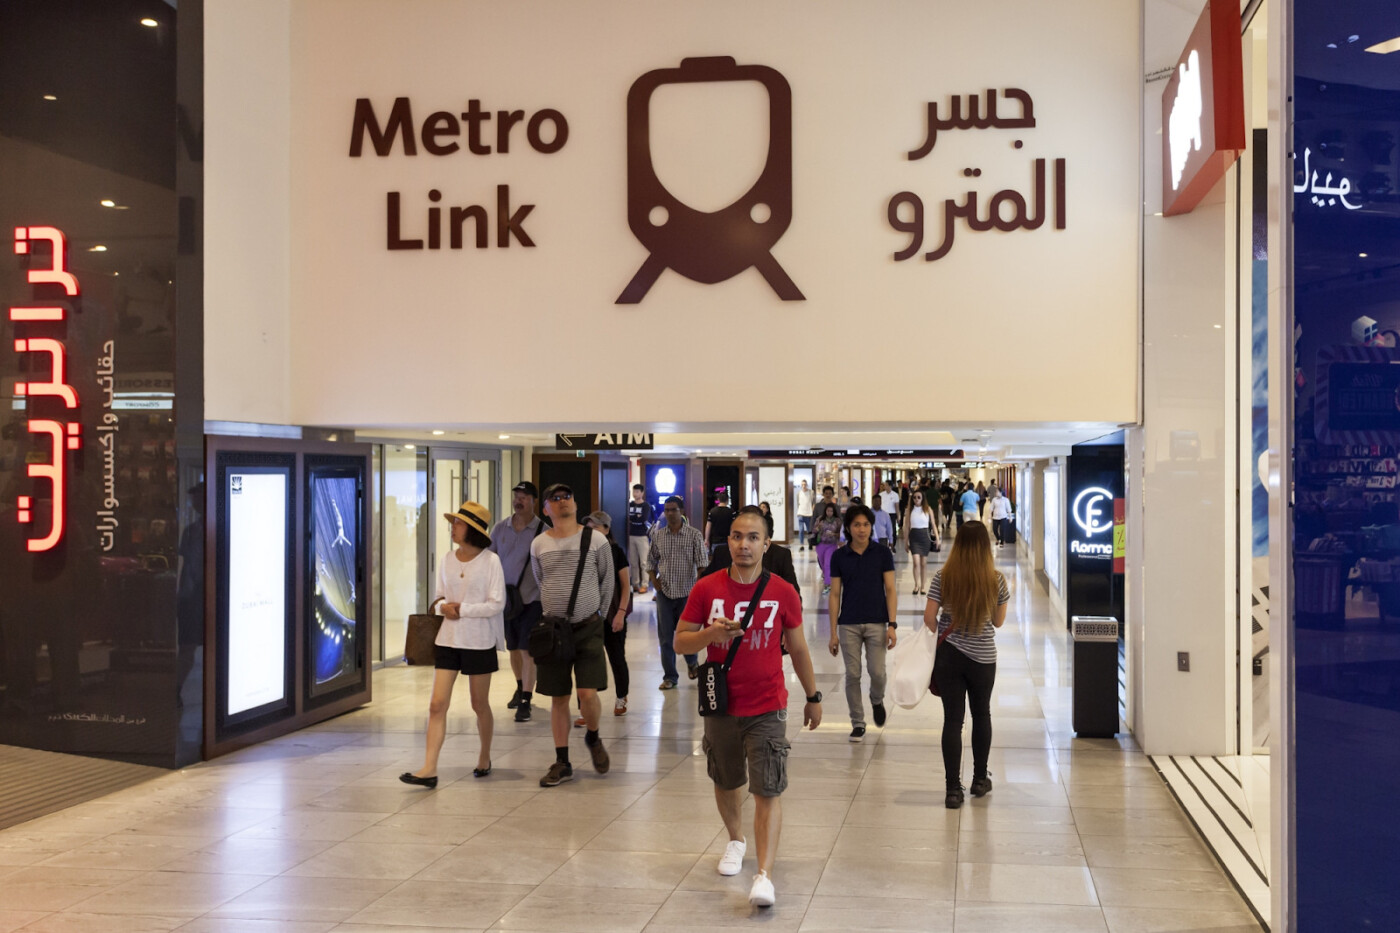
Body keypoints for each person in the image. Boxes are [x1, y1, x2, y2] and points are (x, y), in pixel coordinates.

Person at [674, 507, 822, 909]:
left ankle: (765, 875)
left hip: (767, 704)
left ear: (766, 544)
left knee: (767, 788)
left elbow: (798, 647)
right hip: (720, 703)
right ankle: (736, 841)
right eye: (737, 536)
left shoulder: (782, 591)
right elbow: (680, 643)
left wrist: (813, 696)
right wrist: (711, 632)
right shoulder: (706, 588)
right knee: (725, 779)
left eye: (753, 537)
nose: (743, 544)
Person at [401, 501, 504, 788]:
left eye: (457, 524)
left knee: (478, 703)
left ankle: (484, 755)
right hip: (447, 639)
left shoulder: (490, 561)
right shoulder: (447, 558)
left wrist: (463, 609)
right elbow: (438, 597)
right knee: (436, 704)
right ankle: (429, 768)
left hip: (479, 640)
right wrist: (446, 606)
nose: (452, 528)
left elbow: (497, 604)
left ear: (472, 529)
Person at [531, 483, 614, 787]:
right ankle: (562, 761)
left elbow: (607, 582)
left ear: (576, 504)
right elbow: (541, 580)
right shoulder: (539, 544)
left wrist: (600, 615)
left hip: (588, 626)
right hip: (553, 630)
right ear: (546, 509)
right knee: (559, 697)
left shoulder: (596, 540)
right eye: (556, 498)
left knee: (587, 693)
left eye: (568, 496)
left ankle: (593, 736)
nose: (563, 501)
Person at [924, 521, 1009, 809]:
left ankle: (952, 790)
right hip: (983, 658)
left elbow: (928, 617)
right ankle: (979, 779)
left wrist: (948, 630)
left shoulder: (943, 577)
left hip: (949, 657)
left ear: (958, 544)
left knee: (952, 720)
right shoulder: (996, 579)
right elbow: (998, 622)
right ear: (986, 546)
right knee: (981, 714)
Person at [827, 505, 897, 742]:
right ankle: (858, 722)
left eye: (866, 524)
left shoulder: (882, 553)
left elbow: (890, 589)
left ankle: (876, 699)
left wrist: (892, 624)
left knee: (877, 672)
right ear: (848, 527)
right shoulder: (839, 556)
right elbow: (835, 594)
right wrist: (833, 632)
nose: (862, 529)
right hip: (849, 623)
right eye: (857, 525)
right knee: (853, 674)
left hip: (877, 621)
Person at [491, 480, 544, 722]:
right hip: (506, 601)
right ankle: (520, 685)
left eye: (524, 496)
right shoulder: (500, 528)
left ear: (534, 501)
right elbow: (490, 561)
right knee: (512, 648)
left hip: (532, 600)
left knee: (526, 650)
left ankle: (526, 699)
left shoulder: (543, 530)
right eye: (516, 496)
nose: (519, 500)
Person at [648, 495, 710, 689]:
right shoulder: (658, 535)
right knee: (666, 637)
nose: (669, 514)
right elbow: (650, 561)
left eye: (673, 510)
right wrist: (654, 582)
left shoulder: (694, 535)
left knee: (687, 635)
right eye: (666, 510)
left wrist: (697, 588)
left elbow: (702, 564)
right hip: (665, 593)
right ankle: (670, 677)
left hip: (687, 593)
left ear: (682, 511)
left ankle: (692, 662)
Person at [587, 511, 631, 716]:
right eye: (588, 527)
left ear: (606, 529)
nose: (591, 531)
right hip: (588, 615)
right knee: (587, 660)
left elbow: (625, 585)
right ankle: (585, 706)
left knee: (616, 657)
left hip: (612, 612)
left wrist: (621, 612)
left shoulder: (616, 551)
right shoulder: (583, 551)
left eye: (595, 527)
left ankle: (621, 697)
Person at [901, 488, 939, 594]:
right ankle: (916, 585)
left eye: (919, 497)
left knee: (923, 563)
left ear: (922, 498)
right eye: (914, 497)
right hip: (914, 537)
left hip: (925, 537)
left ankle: (923, 586)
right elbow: (907, 526)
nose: (916, 499)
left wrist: (937, 538)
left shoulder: (928, 509)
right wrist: (905, 542)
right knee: (916, 562)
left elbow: (934, 524)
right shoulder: (910, 510)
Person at [626, 483, 652, 593]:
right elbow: (628, 517)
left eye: (637, 491)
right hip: (631, 535)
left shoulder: (645, 506)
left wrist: (634, 518)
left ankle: (645, 584)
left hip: (642, 535)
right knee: (633, 562)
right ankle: (635, 583)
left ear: (642, 493)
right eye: (634, 491)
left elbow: (643, 519)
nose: (635, 493)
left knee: (644, 562)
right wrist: (635, 517)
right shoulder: (630, 504)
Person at [813, 502, 843, 595]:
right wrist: (818, 528)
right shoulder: (820, 519)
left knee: (827, 563)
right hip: (821, 544)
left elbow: (841, 533)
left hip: (832, 544)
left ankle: (828, 584)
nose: (829, 512)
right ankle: (827, 577)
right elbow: (814, 530)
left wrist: (834, 534)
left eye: (831, 511)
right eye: (828, 511)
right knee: (822, 564)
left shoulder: (837, 521)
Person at [704, 490, 735, 559]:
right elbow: (734, 527)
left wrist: (706, 539)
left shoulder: (712, 511)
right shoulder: (731, 512)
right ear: (727, 500)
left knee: (716, 561)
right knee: (726, 561)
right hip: (727, 541)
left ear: (718, 499)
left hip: (715, 541)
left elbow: (708, 526)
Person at [793, 480, 814, 549]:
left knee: (809, 530)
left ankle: (810, 543)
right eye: (802, 484)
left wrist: (812, 510)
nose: (803, 486)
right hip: (801, 513)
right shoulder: (799, 493)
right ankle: (801, 544)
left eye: (805, 484)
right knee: (801, 530)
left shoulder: (811, 492)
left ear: (807, 485)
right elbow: (798, 503)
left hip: (808, 514)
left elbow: (813, 502)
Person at [879, 482, 900, 548]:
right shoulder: (881, 494)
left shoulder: (895, 495)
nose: (884, 486)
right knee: (883, 530)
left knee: (892, 530)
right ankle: (884, 545)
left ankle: (893, 545)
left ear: (890, 486)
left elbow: (897, 506)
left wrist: (898, 516)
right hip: (883, 514)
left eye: (886, 485)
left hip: (892, 514)